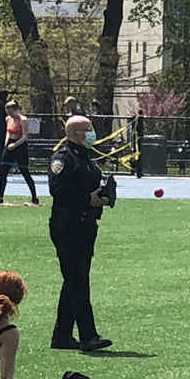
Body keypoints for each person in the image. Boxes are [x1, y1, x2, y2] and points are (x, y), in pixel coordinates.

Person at [47, 115, 112, 351]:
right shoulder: (63, 158)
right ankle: (88, 335)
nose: (92, 133)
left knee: (74, 279)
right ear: (75, 133)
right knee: (78, 281)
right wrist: (88, 199)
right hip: (68, 226)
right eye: (88, 129)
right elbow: (58, 190)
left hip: (85, 225)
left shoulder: (84, 157)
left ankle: (62, 335)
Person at [0, 100, 38, 205]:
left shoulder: (23, 120)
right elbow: (8, 131)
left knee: (25, 172)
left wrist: (15, 144)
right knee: (3, 172)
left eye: (11, 112)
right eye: (8, 113)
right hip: (10, 145)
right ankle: (0, 196)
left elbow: (25, 136)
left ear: (16, 110)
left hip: (20, 146)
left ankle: (34, 197)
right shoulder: (8, 119)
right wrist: (6, 143)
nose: (9, 115)